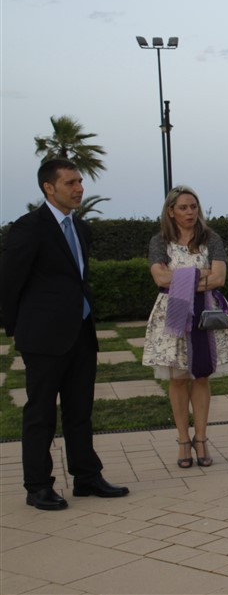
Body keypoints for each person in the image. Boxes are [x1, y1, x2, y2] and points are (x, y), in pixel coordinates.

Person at [0, 158, 129, 510]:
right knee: (40, 414)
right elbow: (9, 282)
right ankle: (38, 486)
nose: (79, 188)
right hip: (43, 338)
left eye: (80, 181)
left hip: (81, 334)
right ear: (49, 187)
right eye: (71, 182)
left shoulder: (82, 229)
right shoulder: (29, 228)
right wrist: (16, 328)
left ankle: (86, 476)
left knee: (80, 411)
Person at [141, 186, 228, 468]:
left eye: (193, 206)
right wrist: (199, 273)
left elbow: (219, 278)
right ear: (171, 211)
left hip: (205, 312)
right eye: (183, 207)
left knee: (201, 376)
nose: (190, 212)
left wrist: (179, 277)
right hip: (173, 314)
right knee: (178, 378)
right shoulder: (159, 241)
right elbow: (159, 279)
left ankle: (201, 439)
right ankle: (183, 440)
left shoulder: (211, 238)